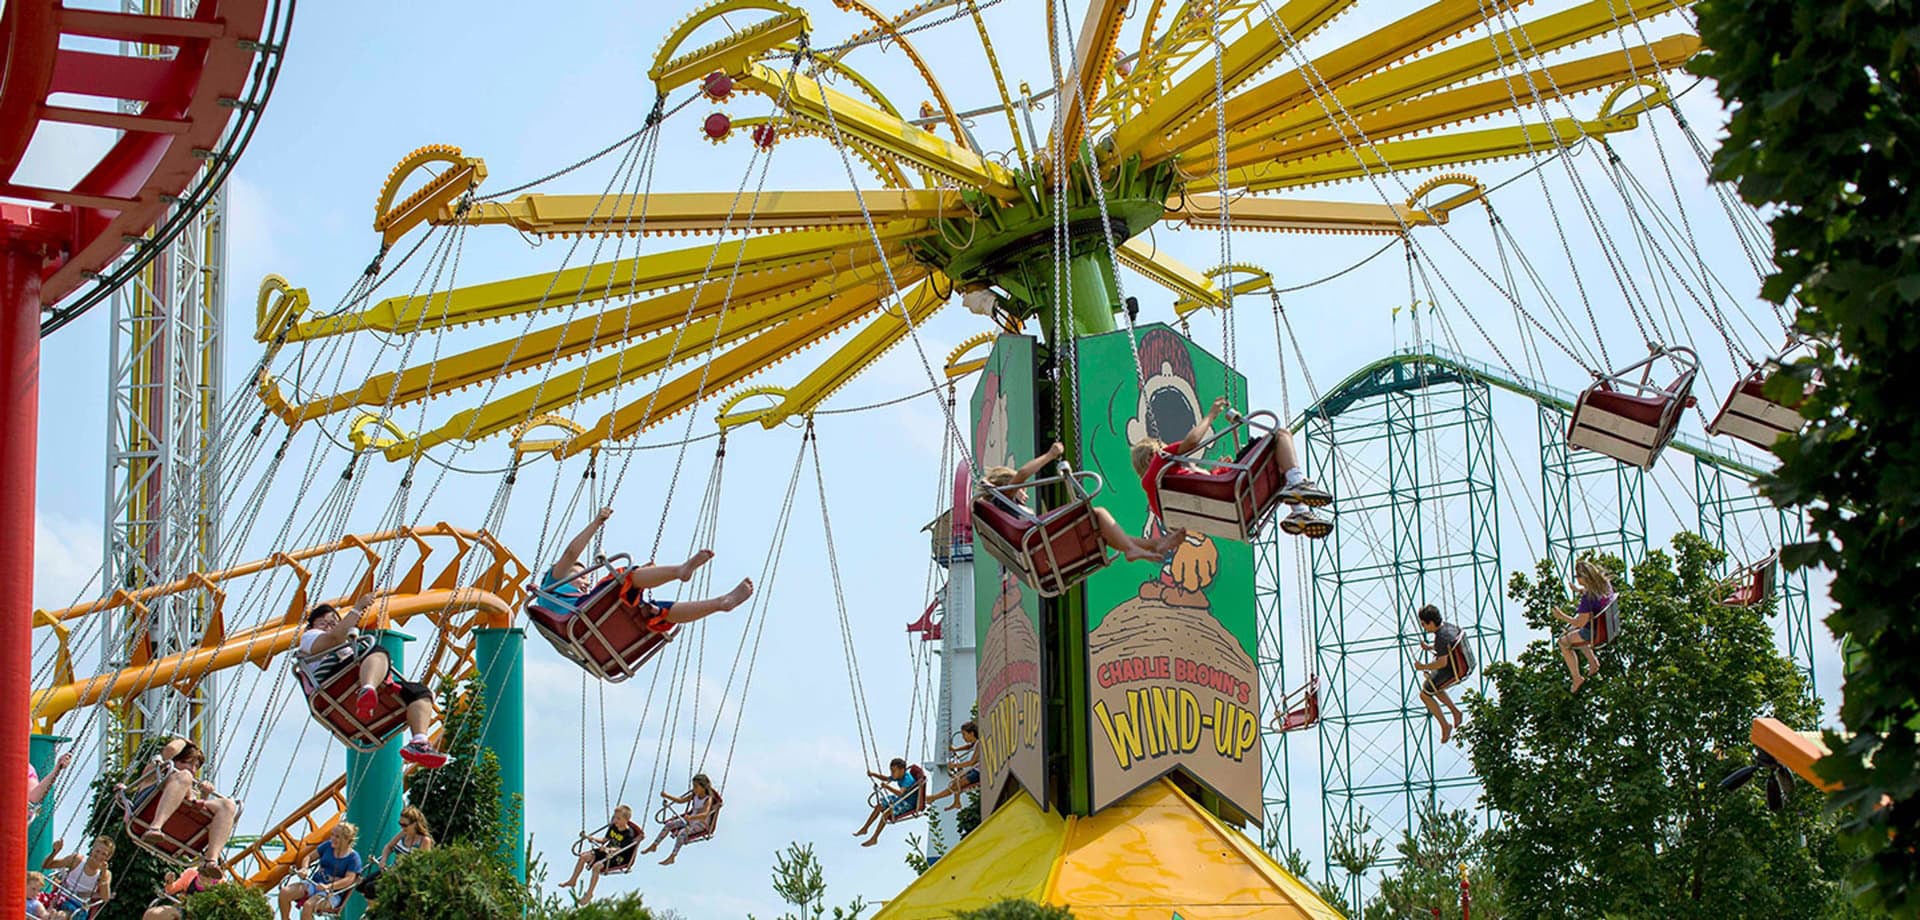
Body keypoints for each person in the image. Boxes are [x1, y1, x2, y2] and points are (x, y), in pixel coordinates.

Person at [1130, 396, 1332, 538]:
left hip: (1224, 508)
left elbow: (1194, 489)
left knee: (1278, 464)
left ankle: (1300, 510)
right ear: (1151, 457)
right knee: (1280, 435)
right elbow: (1191, 442)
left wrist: (1213, 471)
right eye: (1163, 449)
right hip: (1232, 488)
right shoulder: (1160, 464)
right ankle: (1298, 485)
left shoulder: (1159, 497)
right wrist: (1211, 416)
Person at [533, 507, 754, 630]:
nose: (585, 580)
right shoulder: (552, 585)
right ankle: (680, 570)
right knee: (620, 578)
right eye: (579, 576)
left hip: (601, 624)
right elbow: (571, 554)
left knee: (655, 610)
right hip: (584, 619)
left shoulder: (584, 600)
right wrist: (597, 522)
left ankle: (720, 603)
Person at [298, 595, 452, 768]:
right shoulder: (310, 637)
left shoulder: (346, 644)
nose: (329, 626)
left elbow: (339, 636)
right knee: (375, 651)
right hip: (333, 681)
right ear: (312, 626)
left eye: (334, 622)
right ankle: (368, 689)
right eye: (323, 623)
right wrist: (358, 607)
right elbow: (334, 638)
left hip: (354, 677)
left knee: (420, 693)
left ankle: (419, 742)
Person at [983, 443, 1187, 562]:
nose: (1026, 495)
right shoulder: (1005, 500)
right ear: (1009, 487)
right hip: (1043, 545)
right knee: (1097, 513)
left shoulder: (1008, 512)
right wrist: (1050, 455)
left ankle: (1154, 545)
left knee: (1102, 531)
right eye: (1022, 490)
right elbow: (1023, 473)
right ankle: (1138, 548)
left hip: (1042, 547)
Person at [129, 738, 241, 865]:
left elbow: (195, 816)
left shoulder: (191, 787)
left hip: (181, 826)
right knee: (185, 777)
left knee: (228, 805)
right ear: (174, 760)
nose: (193, 769)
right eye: (187, 762)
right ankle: (155, 827)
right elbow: (170, 750)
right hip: (146, 813)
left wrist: (204, 795)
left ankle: (211, 859)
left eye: (196, 767)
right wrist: (185, 742)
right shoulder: (157, 770)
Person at [1553, 559, 1616, 693]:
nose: (1577, 579)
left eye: (1578, 576)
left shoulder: (1588, 598)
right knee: (1570, 631)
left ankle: (1576, 678)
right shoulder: (1605, 584)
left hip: (1595, 631)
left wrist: (1561, 616)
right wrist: (1579, 590)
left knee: (1563, 642)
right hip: (1607, 625)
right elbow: (1592, 590)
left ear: (1584, 577)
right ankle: (1592, 661)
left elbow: (1580, 623)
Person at [277, 823, 361, 920]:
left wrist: (328, 886)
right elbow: (309, 857)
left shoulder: (353, 858)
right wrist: (304, 868)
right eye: (332, 835)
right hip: (313, 884)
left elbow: (349, 879)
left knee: (308, 906)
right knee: (284, 892)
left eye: (337, 837)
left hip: (332, 894)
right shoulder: (327, 846)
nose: (333, 838)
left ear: (347, 840)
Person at [561, 804, 640, 901]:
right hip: (607, 851)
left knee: (596, 866)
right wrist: (592, 838)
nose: (615, 820)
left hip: (619, 857)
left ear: (626, 820)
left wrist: (609, 850)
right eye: (615, 818)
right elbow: (604, 840)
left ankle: (589, 894)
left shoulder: (629, 834)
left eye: (618, 819)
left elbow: (621, 849)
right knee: (583, 856)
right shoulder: (614, 827)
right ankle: (572, 880)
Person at [1413, 605, 1467, 744]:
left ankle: (1445, 725)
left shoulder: (1440, 638)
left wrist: (1422, 667)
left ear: (1431, 622)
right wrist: (1430, 647)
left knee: (1425, 694)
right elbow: (1446, 646)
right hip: (1460, 662)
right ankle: (1455, 712)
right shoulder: (1448, 627)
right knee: (1433, 686)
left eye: (1424, 624)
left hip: (1453, 669)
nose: (1423, 627)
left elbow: (1442, 662)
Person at [641, 775, 720, 866]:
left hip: (700, 824)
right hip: (690, 821)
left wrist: (691, 818)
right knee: (669, 825)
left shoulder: (707, 799)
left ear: (703, 787)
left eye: (696, 786)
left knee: (682, 833)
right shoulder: (694, 795)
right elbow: (680, 800)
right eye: (693, 786)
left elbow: (704, 815)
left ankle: (672, 856)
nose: (694, 789)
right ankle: (654, 845)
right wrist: (667, 796)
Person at [853, 758, 923, 848]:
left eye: (894, 771)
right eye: (891, 771)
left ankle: (874, 838)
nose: (892, 773)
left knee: (886, 813)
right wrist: (873, 774)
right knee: (879, 806)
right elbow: (886, 778)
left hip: (907, 803)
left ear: (902, 770)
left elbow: (900, 793)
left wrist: (887, 787)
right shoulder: (899, 776)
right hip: (901, 799)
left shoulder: (907, 779)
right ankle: (865, 828)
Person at [40, 836, 113, 920]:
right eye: (97, 851)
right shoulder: (76, 860)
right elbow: (46, 865)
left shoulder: (105, 874)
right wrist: (55, 852)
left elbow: (105, 897)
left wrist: (103, 875)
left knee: (60, 916)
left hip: (77, 905)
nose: (99, 855)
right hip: (60, 896)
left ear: (108, 857)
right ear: (92, 849)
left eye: (104, 854)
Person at [925, 721, 981, 811]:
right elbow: (968, 746)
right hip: (975, 770)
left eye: (964, 734)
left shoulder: (979, 744)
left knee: (956, 784)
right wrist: (956, 749)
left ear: (972, 733)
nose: (963, 737)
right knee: (956, 779)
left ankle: (933, 797)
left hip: (978, 772)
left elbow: (972, 762)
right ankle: (956, 802)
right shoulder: (976, 743)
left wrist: (955, 765)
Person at [142, 862, 225, 920]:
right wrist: (169, 882)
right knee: (153, 915)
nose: (202, 880)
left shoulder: (222, 886)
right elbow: (170, 890)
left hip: (202, 916)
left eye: (206, 879)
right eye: (201, 876)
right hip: (183, 909)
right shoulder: (190, 874)